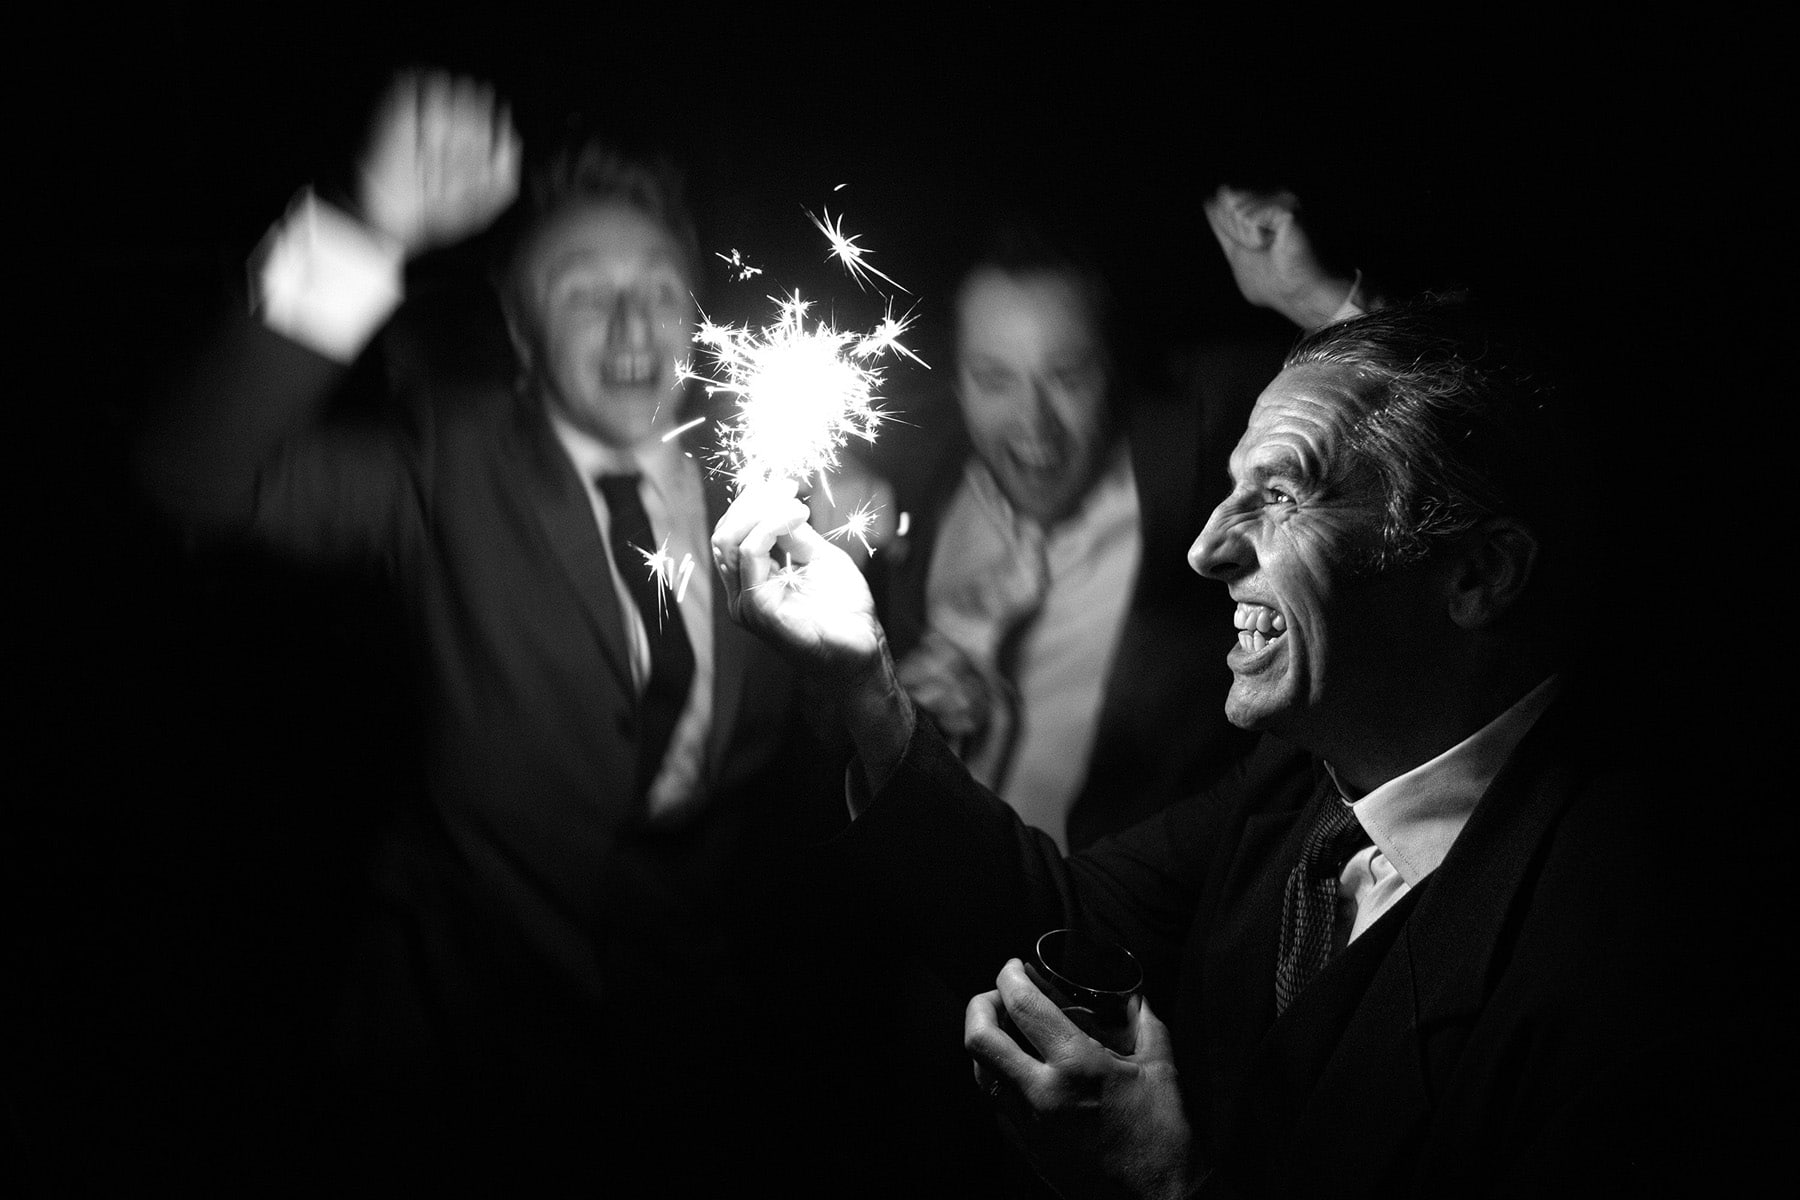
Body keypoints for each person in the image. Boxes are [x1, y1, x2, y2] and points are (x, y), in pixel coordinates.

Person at [712, 297, 1757, 1196]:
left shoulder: (1630, 973)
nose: (1209, 549)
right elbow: (1055, 929)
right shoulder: (1295, 790)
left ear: (1478, 574)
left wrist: (1167, 1188)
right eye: (1229, 487)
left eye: (1284, 495)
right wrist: (864, 682)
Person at [134, 71, 857, 1186]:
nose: (631, 324)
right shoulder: (446, 459)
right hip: (455, 1026)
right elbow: (186, 479)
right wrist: (363, 231)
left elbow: (796, 726)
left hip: (693, 1031)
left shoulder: (773, 479)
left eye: (659, 286)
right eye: (582, 290)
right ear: (520, 335)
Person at [885, 225, 1256, 854]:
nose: (1034, 422)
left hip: (1100, 931)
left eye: (1065, 375)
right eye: (994, 379)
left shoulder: (1198, 483)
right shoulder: (918, 488)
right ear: (957, 385)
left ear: (1111, 369)